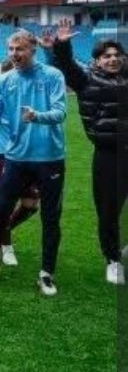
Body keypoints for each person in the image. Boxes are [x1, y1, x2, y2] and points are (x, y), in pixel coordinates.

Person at [0, 29, 68, 296]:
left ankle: (46, 273)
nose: (14, 54)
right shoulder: (4, 80)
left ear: (32, 50)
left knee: (50, 216)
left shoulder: (53, 75)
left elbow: (61, 112)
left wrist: (37, 116)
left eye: (19, 49)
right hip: (16, 157)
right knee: (0, 209)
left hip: (49, 158)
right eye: (11, 49)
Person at [47, 18, 125, 285]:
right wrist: (61, 45)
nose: (113, 59)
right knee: (109, 211)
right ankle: (113, 260)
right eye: (107, 56)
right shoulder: (85, 80)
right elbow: (67, 65)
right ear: (97, 61)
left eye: (116, 55)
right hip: (109, 155)